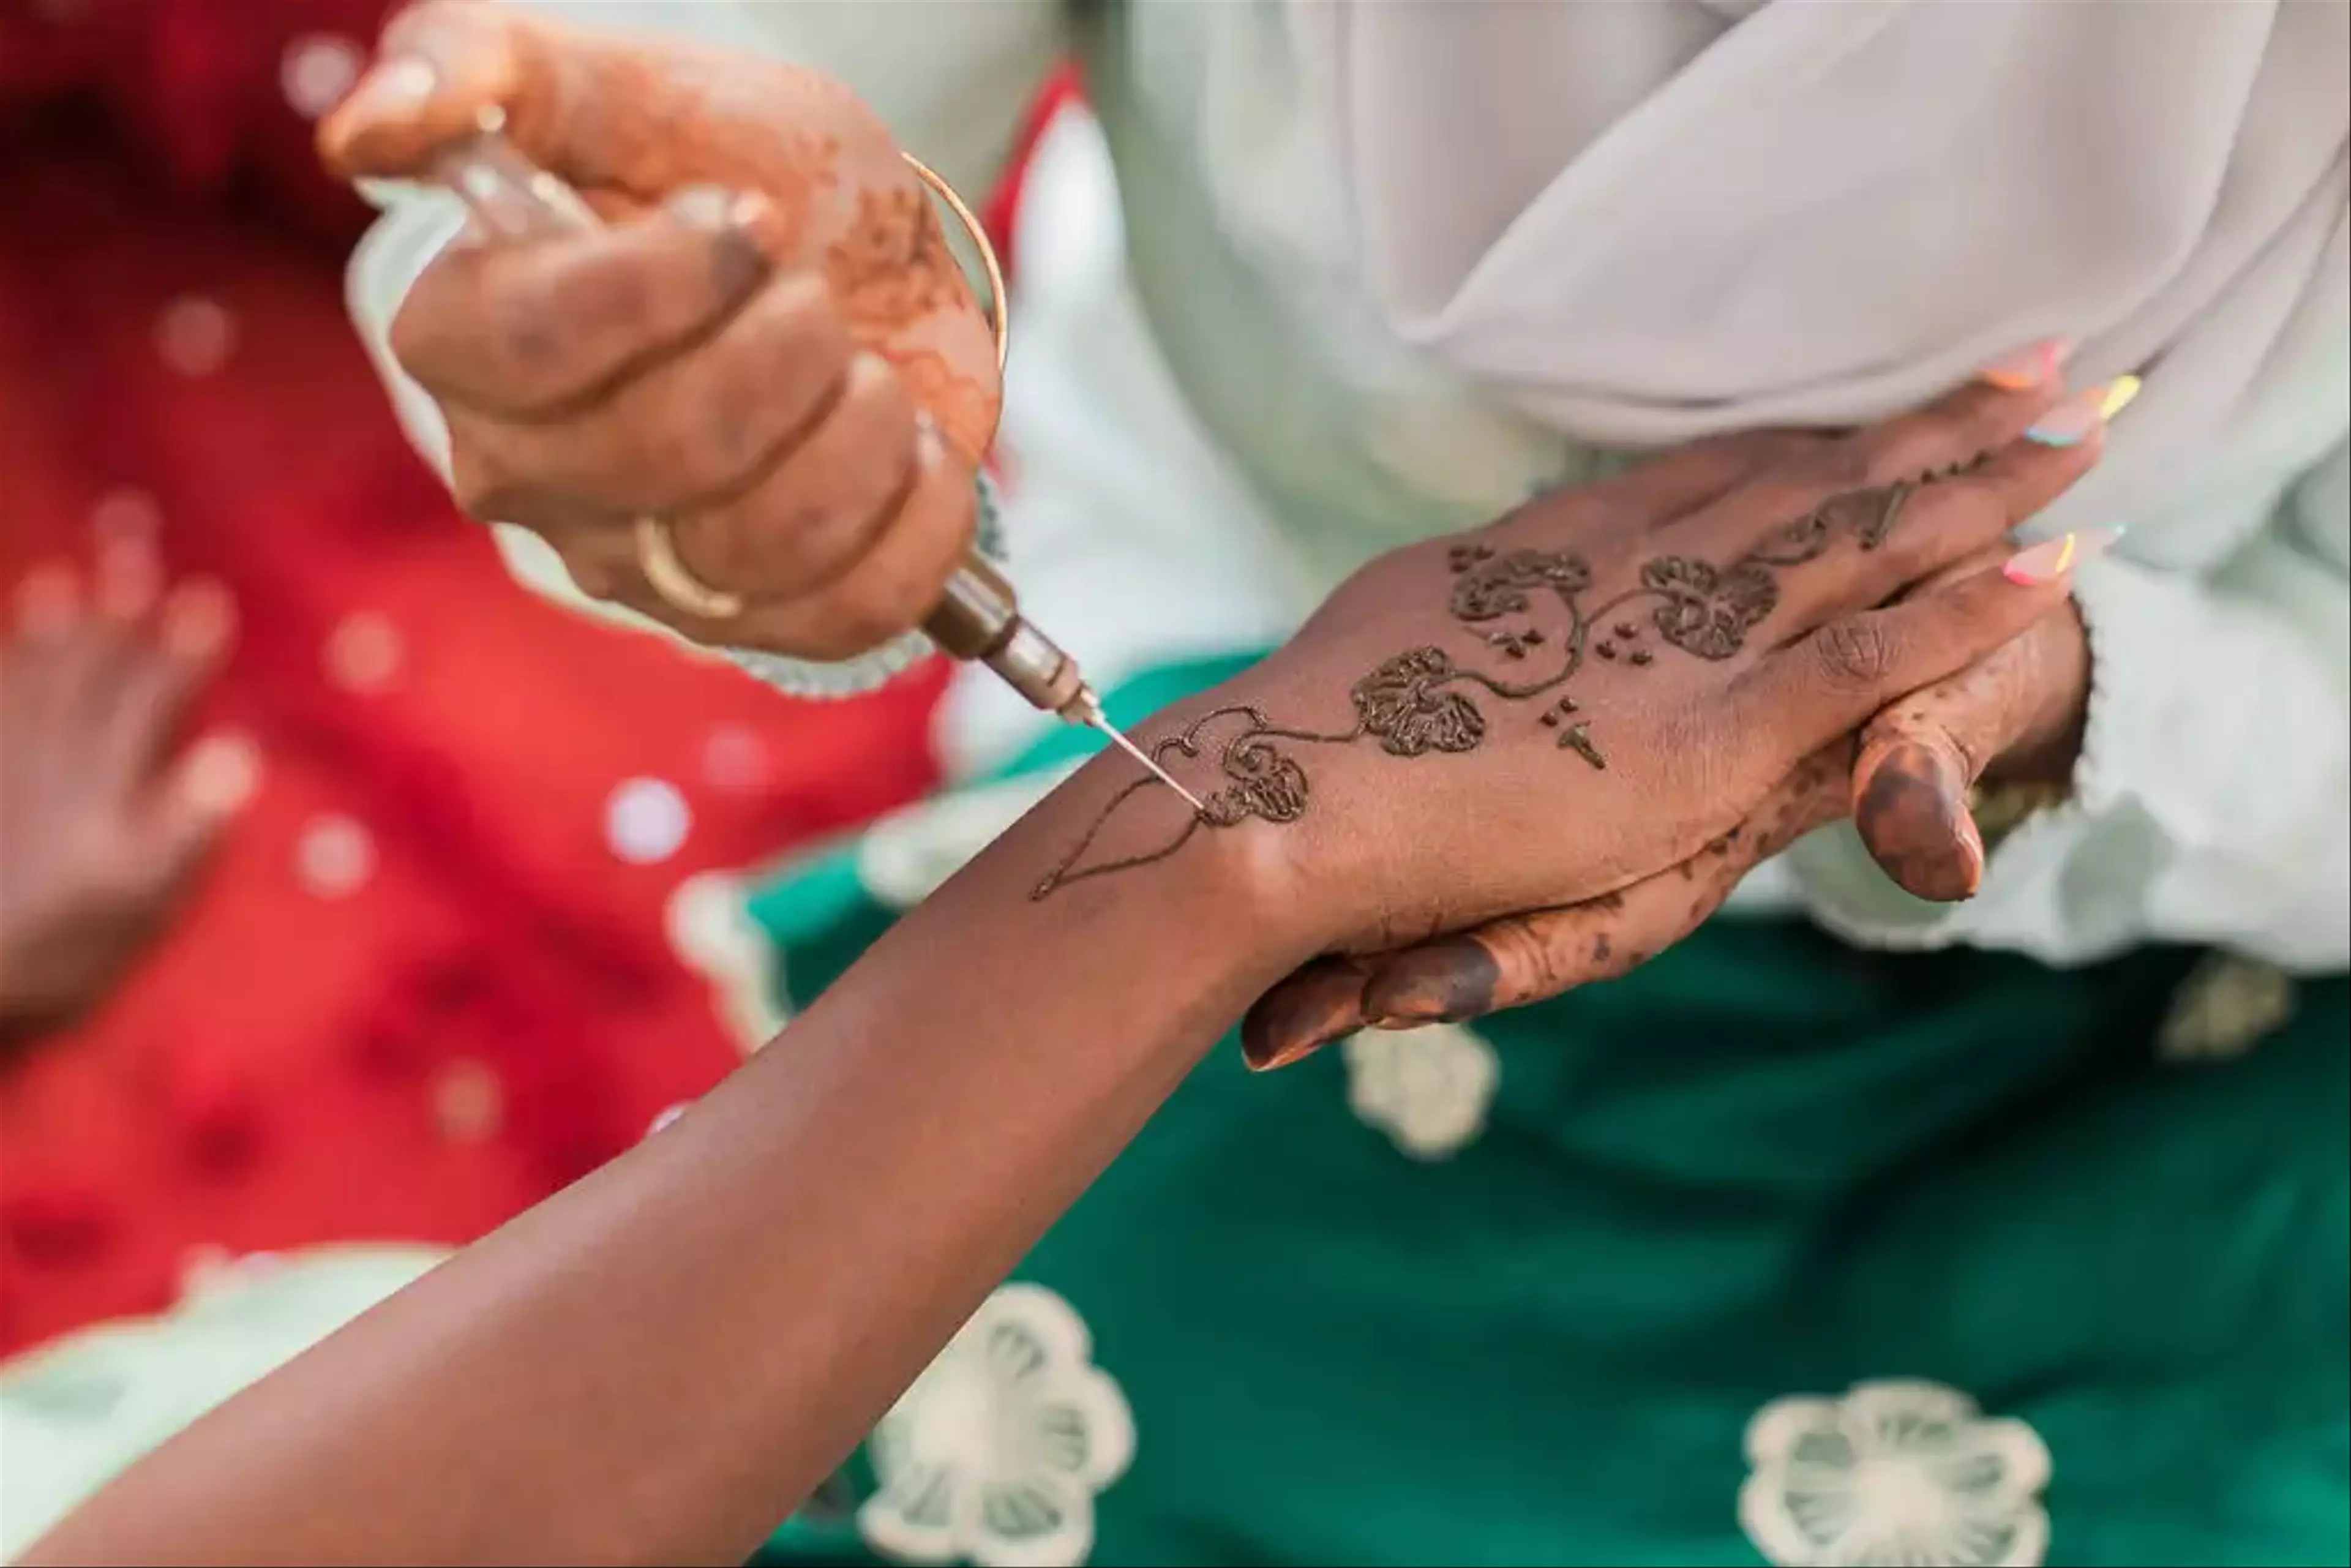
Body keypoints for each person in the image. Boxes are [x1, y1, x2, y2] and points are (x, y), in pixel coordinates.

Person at [33, 2, 2351, 1564]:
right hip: (1213, 693)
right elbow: (647, 95)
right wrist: (691, 324)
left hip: (2207, 899)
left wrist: (2065, 693)